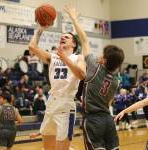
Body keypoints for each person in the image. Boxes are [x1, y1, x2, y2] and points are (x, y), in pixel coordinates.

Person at [65, 5, 124, 150]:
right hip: (108, 120)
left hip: (93, 120)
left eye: (102, 55)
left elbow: (84, 41)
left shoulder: (94, 66)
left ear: (104, 60)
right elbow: (109, 101)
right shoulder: (116, 81)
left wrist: (74, 18)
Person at [29, 16, 86, 150]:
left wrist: (65, 58)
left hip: (66, 105)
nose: (63, 37)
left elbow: (81, 74)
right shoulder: (52, 57)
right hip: (51, 103)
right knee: (48, 148)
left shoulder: (78, 57)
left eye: (67, 37)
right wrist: (40, 29)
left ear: (74, 44)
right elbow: (32, 47)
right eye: (62, 36)